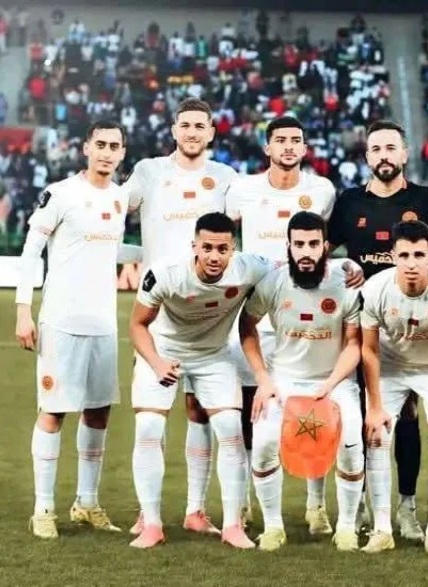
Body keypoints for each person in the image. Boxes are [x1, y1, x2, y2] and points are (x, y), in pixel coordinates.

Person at [226, 115, 362, 535]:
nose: (288, 146)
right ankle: (249, 508)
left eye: (295, 140)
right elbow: (227, 235)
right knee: (256, 419)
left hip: (314, 314)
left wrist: (345, 265)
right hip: (266, 312)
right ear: (267, 147)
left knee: (321, 424)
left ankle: (316, 506)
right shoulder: (243, 189)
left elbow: (321, 240)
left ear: (304, 148)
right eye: (280, 139)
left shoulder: (321, 190)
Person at [123, 98, 242, 537]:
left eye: (199, 126)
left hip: (209, 314)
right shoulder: (148, 171)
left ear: (211, 132)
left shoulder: (226, 178)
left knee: (199, 410)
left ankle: (196, 509)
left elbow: (253, 220)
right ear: (174, 130)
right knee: (152, 412)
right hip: (158, 312)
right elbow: (114, 207)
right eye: (185, 125)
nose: (192, 132)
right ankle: (147, 511)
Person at [128, 212, 275, 549]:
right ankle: (152, 524)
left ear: (233, 249)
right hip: (163, 350)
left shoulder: (250, 267)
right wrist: (157, 363)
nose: (214, 256)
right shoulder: (166, 273)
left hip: (213, 355)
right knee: (149, 427)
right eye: (206, 247)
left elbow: (290, 267)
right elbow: (137, 325)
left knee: (231, 429)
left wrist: (343, 268)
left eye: (222, 249)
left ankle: (232, 526)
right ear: (194, 246)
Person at [15, 121, 129, 539]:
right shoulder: (61, 193)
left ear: (122, 153)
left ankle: (87, 502)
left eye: (114, 146)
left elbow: (110, 250)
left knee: (98, 412)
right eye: (101, 144)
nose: (107, 152)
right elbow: (31, 251)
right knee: (53, 411)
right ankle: (43, 509)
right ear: (86, 148)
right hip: (61, 321)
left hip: (103, 323)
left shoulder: (120, 197)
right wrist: (23, 310)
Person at [328, 120, 428, 539]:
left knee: (408, 418)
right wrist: (345, 264)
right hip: (364, 328)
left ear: (405, 154)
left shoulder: (426, 200)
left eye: (391, 148)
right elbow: (325, 252)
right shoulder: (349, 201)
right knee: (363, 417)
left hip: (413, 326)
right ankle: (360, 506)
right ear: (367, 156)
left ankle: (407, 508)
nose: (384, 156)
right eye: (376, 149)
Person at [238, 212, 364, 552]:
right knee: (263, 444)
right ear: (289, 246)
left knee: (351, 444)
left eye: (313, 244)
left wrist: (331, 383)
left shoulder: (344, 283)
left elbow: (354, 343)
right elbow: (246, 327)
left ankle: (347, 528)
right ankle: (273, 527)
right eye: (299, 244)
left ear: (325, 246)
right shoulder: (274, 282)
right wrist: (263, 379)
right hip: (284, 380)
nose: (306, 252)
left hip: (334, 380)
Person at [360, 220, 428, 555]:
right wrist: (374, 406)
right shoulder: (375, 289)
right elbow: (368, 350)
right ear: (392, 256)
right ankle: (381, 529)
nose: (411, 263)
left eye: (419, 255)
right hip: (391, 369)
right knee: (377, 436)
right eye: (404, 255)